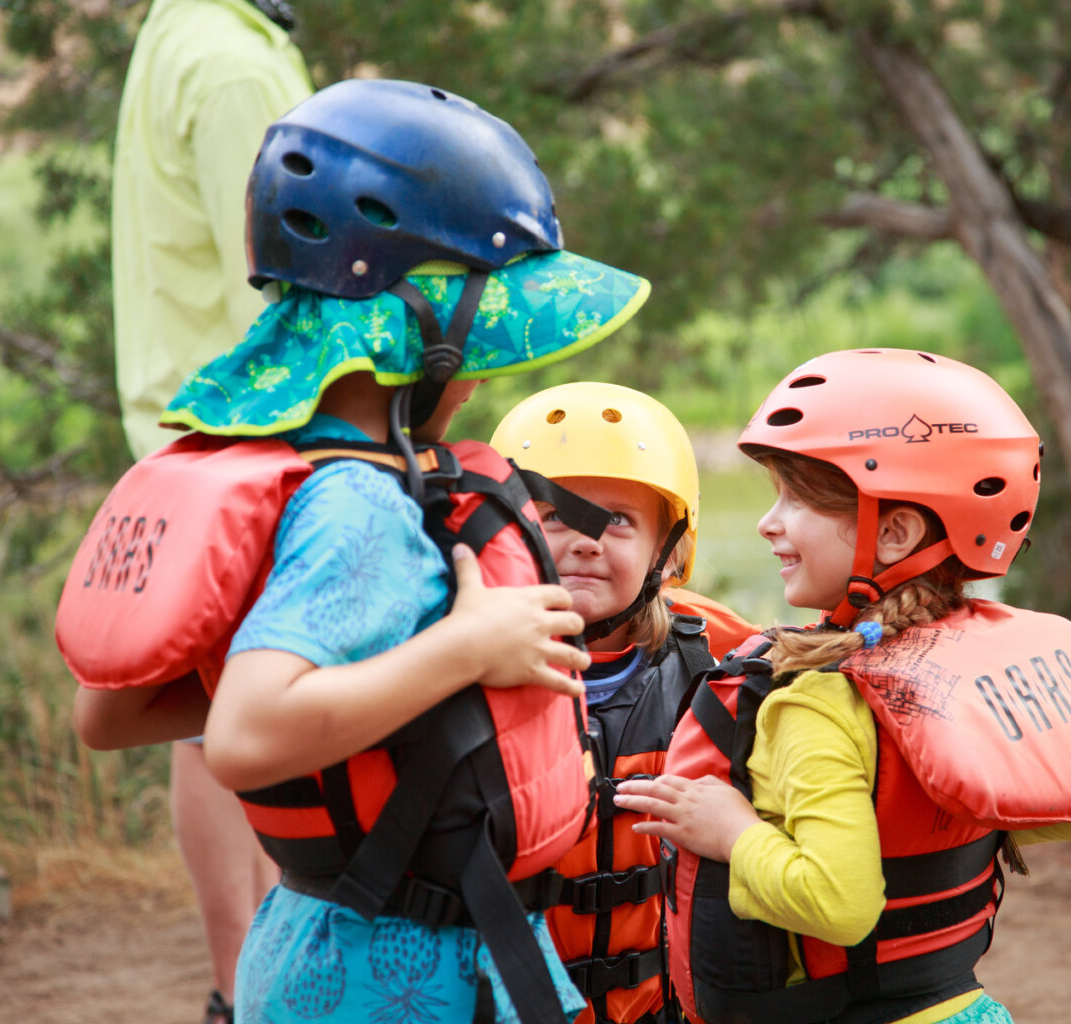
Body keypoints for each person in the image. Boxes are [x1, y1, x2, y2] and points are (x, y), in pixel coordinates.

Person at [73, 78, 654, 1023]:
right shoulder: (362, 505)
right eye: (477, 347)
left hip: (311, 932)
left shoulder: (280, 469)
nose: (472, 389)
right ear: (416, 328)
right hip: (402, 974)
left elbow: (111, 713)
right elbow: (248, 736)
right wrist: (469, 650)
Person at [614, 349, 1071, 1024]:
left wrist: (730, 831)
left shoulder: (816, 700)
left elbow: (840, 905)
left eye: (799, 498)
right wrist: (949, 814)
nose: (767, 522)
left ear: (894, 532)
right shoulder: (967, 661)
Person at [109, 2, 312, 1019]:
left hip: (196, 429)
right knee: (245, 710)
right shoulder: (231, 63)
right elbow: (282, 281)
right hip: (252, 437)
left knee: (212, 715)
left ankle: (240, 986)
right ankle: (251, 990)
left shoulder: (178, 28)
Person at [490, 382, 756, 1024]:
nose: (586, 540)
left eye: (616, 519)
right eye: (557, 516)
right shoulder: (456, 660)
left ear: (670, 553)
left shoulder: (723, 657)